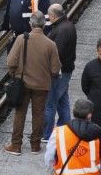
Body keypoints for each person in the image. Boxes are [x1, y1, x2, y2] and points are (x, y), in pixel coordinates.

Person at [5, 11, 60, 155]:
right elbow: (55, 69)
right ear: (44, 25)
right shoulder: (51, 44)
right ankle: (35, 145)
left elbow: (11, 62)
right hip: (42, 86)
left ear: (31, 24)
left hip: (22, 84)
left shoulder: (22, 39)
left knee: (20, 114)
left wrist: (14, 74)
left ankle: (16, 145)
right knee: (38, 115)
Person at [43, 3, 76, 141]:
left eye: (49, 15)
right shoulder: (68, 25)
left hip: (59, 72)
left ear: (53, 15)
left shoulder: (61, 30)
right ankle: (65, 128)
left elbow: (58, 52)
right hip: (66, 70)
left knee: (50, 104)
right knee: (63, 101)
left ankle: (46, 134)